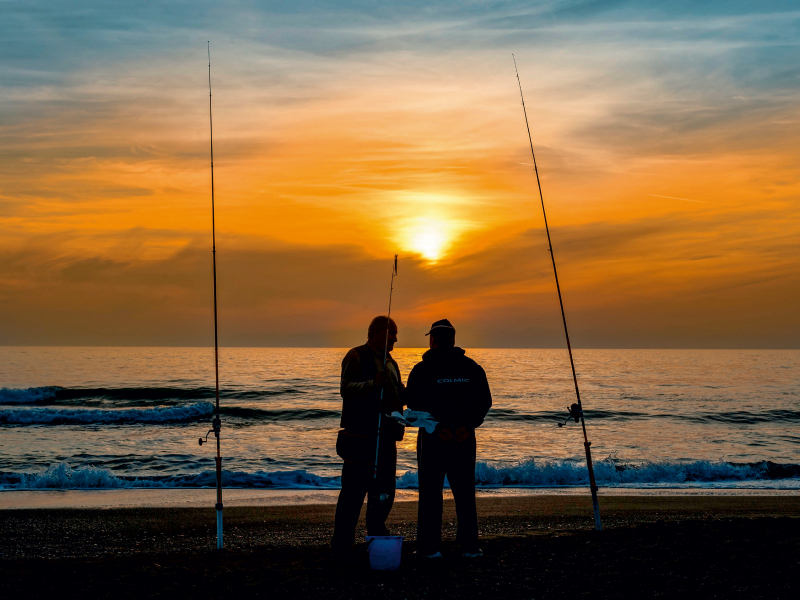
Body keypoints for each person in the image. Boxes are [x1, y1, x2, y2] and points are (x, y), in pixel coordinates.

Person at [406, 318, 492, 559]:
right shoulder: (471, 367)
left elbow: (412, 402)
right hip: (464, 438)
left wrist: (439, 425)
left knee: (430, 493)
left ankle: (430, 548)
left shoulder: (422, 369)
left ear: (432, 340)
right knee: (465, 493)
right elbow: (484, 401)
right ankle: (470, 547)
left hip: (434, 438)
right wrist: (467, 425)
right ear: (453, 340)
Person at [331, 315, 405, 554]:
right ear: (377, 333)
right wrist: (373, 384)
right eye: (392, 333)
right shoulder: (356, 355)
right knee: (353, 492)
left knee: (384, 491)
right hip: (360, 437)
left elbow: (398, 394)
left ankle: (376, 531)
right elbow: (346, 388)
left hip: (386, 438)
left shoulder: (391, 363)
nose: (395, 338)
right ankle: (343, 541)